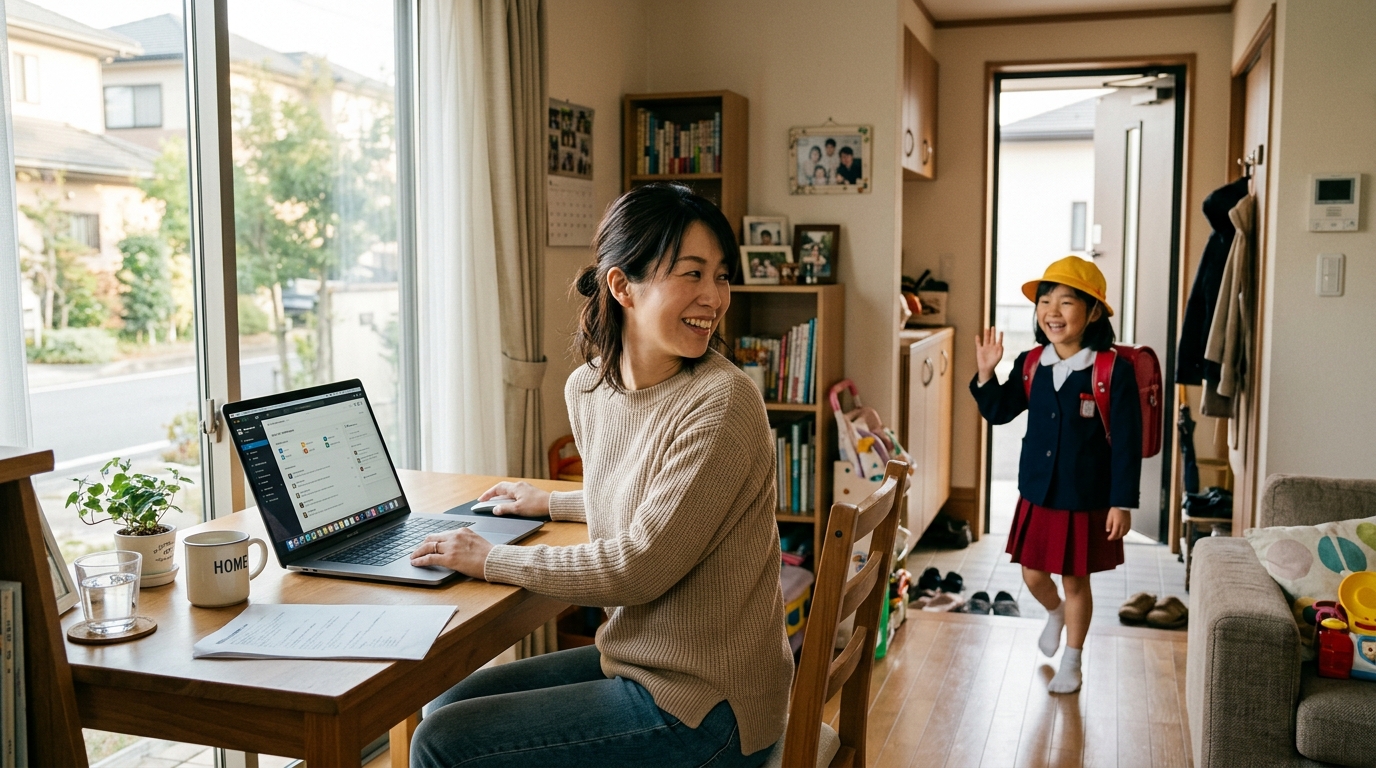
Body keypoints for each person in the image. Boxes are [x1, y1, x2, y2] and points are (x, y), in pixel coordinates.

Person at [407, 182, 793, 767]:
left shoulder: (723, 401)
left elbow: (638, 567)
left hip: (709, 705)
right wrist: (550, 503)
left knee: (441, 745)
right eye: (692, 273)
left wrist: (488, 559)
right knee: (442, 709)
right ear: (621, 286)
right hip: (639, 658)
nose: (713, 297)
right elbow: (651, 499)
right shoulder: (588, 389)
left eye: (721, 276)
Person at [969, 256, 1141, 695]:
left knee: (1076, 580)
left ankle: (1073, 660)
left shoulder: (1110, 370)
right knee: (1031, 574)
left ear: (1095, 312)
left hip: (1086, 495)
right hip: (1038, 491)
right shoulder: (1031, 363)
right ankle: (1055, 613)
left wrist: (1122, 501)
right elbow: (1000, 411)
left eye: (1066, 302)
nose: (1052, 311)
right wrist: (987, 373)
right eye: (1045, 301)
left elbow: (1126, 442)